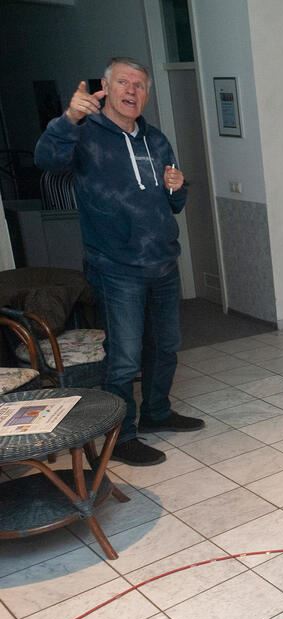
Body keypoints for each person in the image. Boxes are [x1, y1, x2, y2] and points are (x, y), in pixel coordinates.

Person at [34, 57, 200, 467]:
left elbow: (173, 202)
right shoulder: (85, 135)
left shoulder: (156, 140)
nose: (132, 90)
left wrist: (179, 189)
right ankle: (120, 434)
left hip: (162, 262)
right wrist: (68, 118)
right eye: (123, 82)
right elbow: (47, 160)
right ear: (105, 88)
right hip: (115, 266)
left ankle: (157, 413)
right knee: (124, 356)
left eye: (140, 84)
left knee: (166, 347)